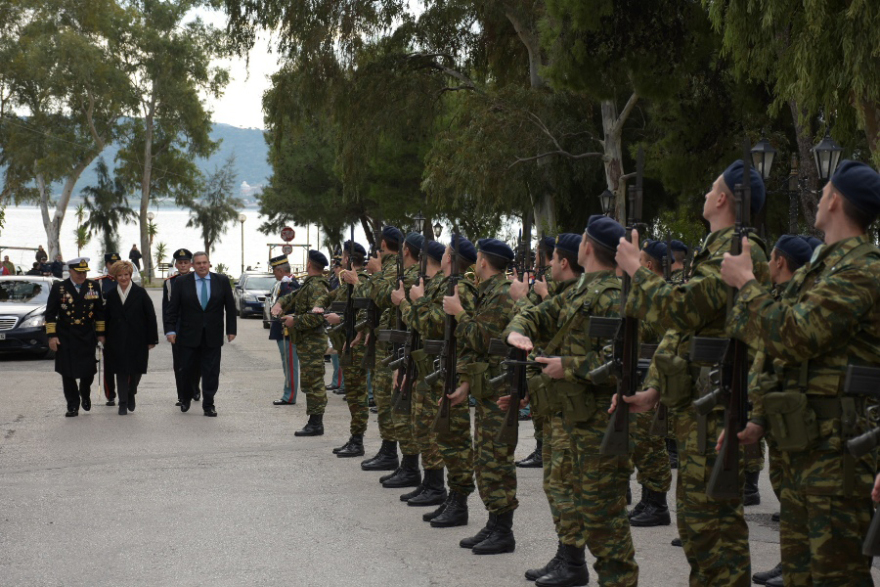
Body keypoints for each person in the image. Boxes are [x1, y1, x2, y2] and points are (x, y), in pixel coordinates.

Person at [720, 160, 880, 587]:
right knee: (800, 576)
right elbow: (771, 345)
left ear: (835, 200)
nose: (821, 194)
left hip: (839, 454)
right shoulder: (821, 267)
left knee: (837, 576)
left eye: (825, 188)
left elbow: (793, 334)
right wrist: (756, 416)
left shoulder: (862, 269)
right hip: (804, 444)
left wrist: (747, 285)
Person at [615, 159, 769, 586]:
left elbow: (680, 307)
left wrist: (635, 269)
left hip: (715, 408)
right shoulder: (716, 248)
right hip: (696, 407)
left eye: (710, 188)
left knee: (714, 528)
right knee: (699, 529)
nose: (704, 194)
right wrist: (656, 387)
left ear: (723, 199)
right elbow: (684, 329)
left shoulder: (739, 250)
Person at [507, 219, 638, 586]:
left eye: (580, 239)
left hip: (600, 421)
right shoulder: (581, 289)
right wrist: (518, 329)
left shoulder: (612, 295)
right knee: (576, 499)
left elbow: (624, 361)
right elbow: (539, 313)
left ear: (588, 247)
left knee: (603, 517)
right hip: (574, 416)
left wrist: (571, 366)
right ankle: (572, 561)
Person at [507, 233, 590, 584]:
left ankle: (574, 563)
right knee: (556, 485)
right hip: (559, 405)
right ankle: (566, 555)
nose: (549, 264)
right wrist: (517, 330)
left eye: (552, 258)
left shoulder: (599, 295)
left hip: (583, 411)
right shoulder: (569, 296)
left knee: (573, 488)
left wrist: (568, 365)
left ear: (564, 262)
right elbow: (532, 318)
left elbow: (617, 358)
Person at [745, 234, 817, 587]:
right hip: (777, 409)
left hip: (794, 410)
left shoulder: (797, 302)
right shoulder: (779, 298)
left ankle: (797, 563)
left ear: (780, 262)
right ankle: (790, 560)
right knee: (786, 490)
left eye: (771, 257)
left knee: (796, 493)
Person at [443, 237, 517, 555]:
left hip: (501, 390)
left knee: (496, 460)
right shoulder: (490, 292)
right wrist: (466, 385)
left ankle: (504, 531)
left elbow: (483, 339)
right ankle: (494, 523)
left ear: (483, 261)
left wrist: (459, 313)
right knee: (485, 459)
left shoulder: (501, 294)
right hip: (488, 387)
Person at [626, 240, 672, 528]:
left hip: (652, 374)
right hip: (642, 372)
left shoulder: (659, 295)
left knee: (650, 442)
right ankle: (648, 497)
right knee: (641, 441)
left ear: (649, 265)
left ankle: (657, 502)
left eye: (640, 259)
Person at [164, 251, 237, 417]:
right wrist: (170, 329)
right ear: (192, 265)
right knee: (187, 369)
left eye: (204, 262)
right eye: (198, 263)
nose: (202, 266)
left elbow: (230, 307)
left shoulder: (222, 281)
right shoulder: (182, 282)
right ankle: (186, 397)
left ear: (209, 263)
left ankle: (209, 404)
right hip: (188, 334)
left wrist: (231, 330)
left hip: (213, 334)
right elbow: (172, 309)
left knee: (211, 371)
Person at [360, 226, 407, 473]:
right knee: (382, 396)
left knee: (387, 398)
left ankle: (391, 452)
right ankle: (388, 449)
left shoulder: (393, 268)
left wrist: (375, 273)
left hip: (392, 344)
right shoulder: (392, 267)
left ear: (384, 245)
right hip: (382, 340)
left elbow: (381, 297)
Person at [510, 234, 558, 469]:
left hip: (545, 349)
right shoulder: (543, 277)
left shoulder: (548, 279)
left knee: (543, 409)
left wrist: (522, 297)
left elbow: (541, 317)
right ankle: (541, 449)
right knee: (540, 407)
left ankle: (543, 450)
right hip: (539, 350)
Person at [319, 241, 370, 456]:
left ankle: (357, 440)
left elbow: (366, 309)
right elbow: (335, 299)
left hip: (357, 345)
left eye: (343, 257)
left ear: (350, 259)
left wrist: (338, 317)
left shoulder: (363, 281)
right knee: (353, 394)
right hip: (346, 344)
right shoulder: (345, 281)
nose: (340, 261)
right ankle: (354, 437)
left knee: (358, 396)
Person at [272, 250, 330, 435]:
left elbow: (317, 317)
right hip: (307, 342)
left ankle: (316, 423)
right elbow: (295, 296)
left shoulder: (318, 287)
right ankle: (313, 421)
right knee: (309, 382)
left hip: (313, 342)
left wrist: (294, 321)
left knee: (314, 384)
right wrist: (281, 303)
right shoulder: (311, 284)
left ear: (309, 265)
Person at [44, 258, 105, 417]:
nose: (82, 275)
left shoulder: (93, 286)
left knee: (88, 371)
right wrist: (52, 336)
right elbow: (50, 314)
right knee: (67, 372)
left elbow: (99, 313)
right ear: (70, 271)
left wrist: (100, 334)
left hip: (86, 334)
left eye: (85, 272)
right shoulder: (60, 287)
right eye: (79, 272)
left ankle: (85, 392)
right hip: (66, 334)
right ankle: (72, 404)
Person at [102, 260, 158, 415]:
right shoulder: (112, 295)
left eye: (126, 274)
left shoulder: (140, 293)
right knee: (120, 370)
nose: (123, 278)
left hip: (137, 339)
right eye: (120, 275)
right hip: (116, 339)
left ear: (130, 275)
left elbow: (150, 316)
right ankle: (123, 402)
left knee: (136, 370)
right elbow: (105, 318)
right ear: (115, 277)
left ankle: (131, 392)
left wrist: (151, 339)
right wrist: (102, 336)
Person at [162, 249, 201, 407]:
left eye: (186, 263)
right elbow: (167, 308)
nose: (183, 265)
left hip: (195, 326)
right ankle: (182, 395)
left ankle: (194, 387)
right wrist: (169, 329)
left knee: (196, 362)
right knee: (179, 363)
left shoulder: (199, 280)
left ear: (191, 264)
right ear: (176, 264)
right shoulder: (170, 282)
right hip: (178, 326)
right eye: (180, 263)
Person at [268, 254, 300, 406]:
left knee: (290, 364)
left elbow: (288, 307)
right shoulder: (284, 284)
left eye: (274, 270)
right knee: (286, 363)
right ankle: (288, 393)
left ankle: (290, 395)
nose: (274, 273)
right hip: (283, 331)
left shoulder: (290, 286)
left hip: (288, 331)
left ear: (280, 270)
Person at [95, 253, 121, 406]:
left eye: (117, 263)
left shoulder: (125, 280)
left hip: (124, 328)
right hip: (108, 328)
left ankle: (127, 392)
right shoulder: (100, 284)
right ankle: (110, 394)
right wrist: (100, 332)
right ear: (106, 265)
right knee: (109, 364)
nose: (114, 266)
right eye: (112, 263)